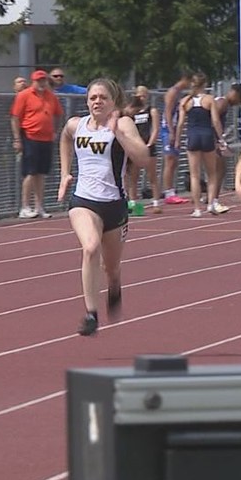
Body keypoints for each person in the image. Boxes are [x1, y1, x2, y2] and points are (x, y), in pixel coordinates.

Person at [57, 79, 151, 337]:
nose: (97, 102)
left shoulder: (122, 124)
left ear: (113, 101)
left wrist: (118, 134)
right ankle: (91, 314)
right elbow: (65, 138)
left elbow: (143, 158)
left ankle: (115, 284)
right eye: (93, 98)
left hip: (114, 205)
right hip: (83, 201)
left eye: (102, 98)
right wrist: (65, 173)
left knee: (111, 267)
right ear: (87, 101)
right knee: (90, 247)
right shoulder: (76, 125)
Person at [10, 69, 63, 219]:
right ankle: (25, 206)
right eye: (38, 80)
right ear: (33, 81)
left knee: (41, 173)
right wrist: (17, 139)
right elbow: (15, 117)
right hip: (30, 137)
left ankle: (39, 206)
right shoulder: (24, 95)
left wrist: (55, 131)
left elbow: (58, 114)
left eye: (43, 80)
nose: (41, 83)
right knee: (30, 172)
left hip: (46, 139)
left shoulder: (51, 96)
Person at [174, 73, 228, 217]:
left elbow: (180, 124)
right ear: (204, 85)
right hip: (206, 136)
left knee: (194, 175)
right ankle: (210, 204)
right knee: (211, 173)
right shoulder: (209, 99)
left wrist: (177, 140)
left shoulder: (185, 101)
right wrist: (221, 138)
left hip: (192, 136)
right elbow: (215, 121)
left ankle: (197, 209)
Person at [123, 85, 160, 212]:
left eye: (144, 95)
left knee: (152, 175)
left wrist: (150, 144)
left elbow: (155, 129)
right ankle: (133, 203)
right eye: (139, 96)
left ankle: (156, 202)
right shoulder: (130, 111)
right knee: (133, 176)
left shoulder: (152, 110)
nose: (142, 98)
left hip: (148, 146)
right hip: (135, 146)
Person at [159, 71, 191, 204]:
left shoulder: (179, 93)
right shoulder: (173, 92)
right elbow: (167, 111)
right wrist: (171, 131)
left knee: (174, 161)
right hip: (168, 128)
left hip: (173, 127)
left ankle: (171, 190)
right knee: (170, 160)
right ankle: (168, 192)